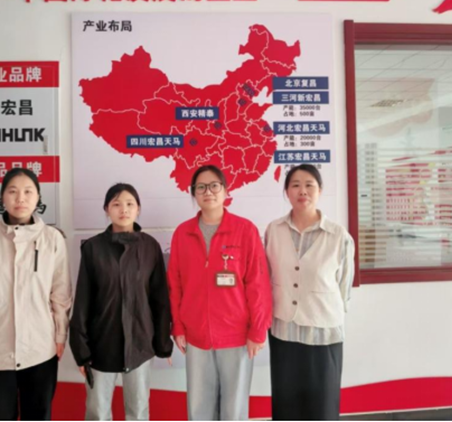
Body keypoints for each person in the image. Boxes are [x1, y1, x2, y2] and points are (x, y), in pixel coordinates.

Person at [0, 168, 71, 420]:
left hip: (39, 348)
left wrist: (60, 334)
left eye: (28, 191)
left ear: (38, 197)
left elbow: (60, 294)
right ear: (2, 197)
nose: (21, 198)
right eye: (13, 191)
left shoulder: (52, 239)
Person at [167, 165, 272, 421]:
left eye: (215, 186)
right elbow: (174, 284)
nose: (208, 192)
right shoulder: (183, 233)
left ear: (225, 191)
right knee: (199, 407)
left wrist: (258, 330)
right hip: (196, 334)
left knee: (234, 408)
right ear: (193, 193)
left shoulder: (245, 230)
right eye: (201, 187)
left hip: (237, 335)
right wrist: (178, 326)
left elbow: (258, 283)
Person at [69, 183, 173, 421]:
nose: (123, 209)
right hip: (101, 343)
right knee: (97, 412)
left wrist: (162, 343)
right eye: (116, 204)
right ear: (107, 209)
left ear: (138, 209)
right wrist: (81, 350)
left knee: (138, 411)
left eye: (129, 204)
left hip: (140, 342)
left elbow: (159, 299)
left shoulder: (150, 246)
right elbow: (83, 300)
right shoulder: (93, 247)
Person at [265, 164, 355, 420]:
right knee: (286, 405)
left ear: (320, 190)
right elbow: (268, 276)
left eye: (309, 185)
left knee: (321, 406)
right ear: (286, 192)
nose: (302, 191)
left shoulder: (338, 236)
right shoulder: (273, 230)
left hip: (323, 332)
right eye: (295, 185)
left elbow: (344, 285)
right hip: (284, 330)